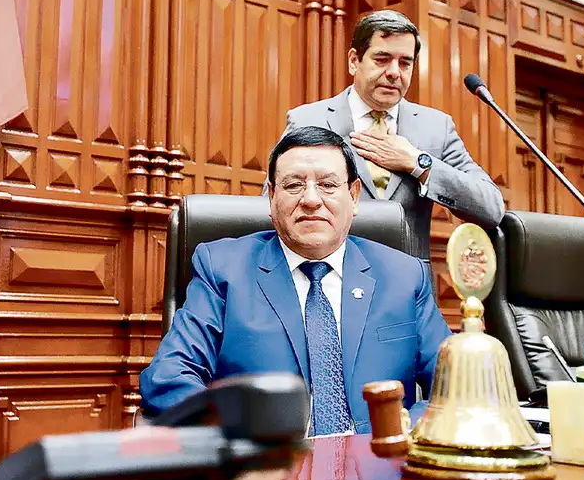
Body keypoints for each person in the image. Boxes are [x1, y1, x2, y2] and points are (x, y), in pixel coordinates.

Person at [139, 126, 451, 435]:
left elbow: (453, 384)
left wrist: (409, 431)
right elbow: (168, 378)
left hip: (381, 466)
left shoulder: (404, 276)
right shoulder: (223, 269)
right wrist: (240, 437)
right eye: (293, 185)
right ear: (272, 197)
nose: (311, 200)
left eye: (328, 185)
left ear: (354, 196)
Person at [278, 10, 504, 261]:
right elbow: (274, 206)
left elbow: (490, 207)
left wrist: (419, 164)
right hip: (326, 277)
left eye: (405, 63)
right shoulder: (309, 120)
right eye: (382, 59)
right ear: (354, 61)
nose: (395, 72)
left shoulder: (435, 127)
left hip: (409, 288)